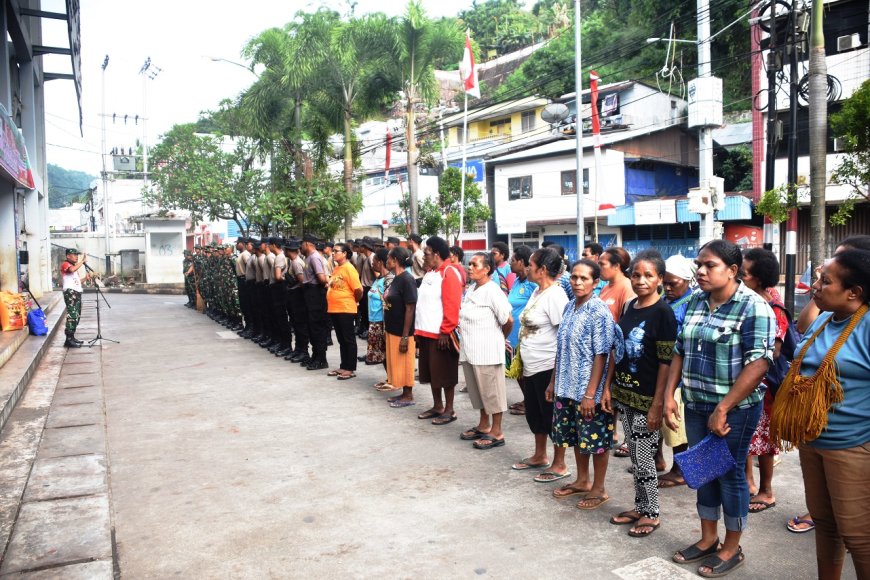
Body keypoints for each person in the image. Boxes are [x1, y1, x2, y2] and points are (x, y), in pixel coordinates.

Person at [664, 240, 775, 578]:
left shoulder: (754, 308)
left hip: (735, 410)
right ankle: (708, 539)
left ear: (731, 270)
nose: (700, 271)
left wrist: (724, 408)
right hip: (696, 404)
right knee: (702, 472)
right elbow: (680, 350)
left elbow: (759, 363)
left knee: (730, 475)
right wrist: (669, 394)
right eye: (699, 264)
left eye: (708, 265)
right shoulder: (697, 300)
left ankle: (732, 545)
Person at [769, 249, 870, 579]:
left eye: (825, 281)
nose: (815, 286)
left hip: (852, 447)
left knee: (858, 535)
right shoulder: (828, 316)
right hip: (813, 441)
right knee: (825, 524)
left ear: (854, 292)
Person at [541, 258, 620, 512]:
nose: (577, 282)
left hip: (588, 390)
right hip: (566, 385)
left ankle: (599, 487)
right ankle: (582, 480)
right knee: (575, 436)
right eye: (574, 277)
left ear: (596, 282)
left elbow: (603, 354)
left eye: (584, 278)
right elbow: (561, 348)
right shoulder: (570, 308)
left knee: (596, 440)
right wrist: (553, 381)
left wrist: (590, 394)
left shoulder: (599, 312)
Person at [608, 250, 677, 538]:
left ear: (660, 279)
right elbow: (618, 350)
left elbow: (666, 362)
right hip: (625, 395)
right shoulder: (631, 307)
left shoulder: (663, 313)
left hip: (648, 399)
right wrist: (610, 389)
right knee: (636, 456)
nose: (641, 280)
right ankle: (640, 506)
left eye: (649, 275)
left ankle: (651, 513)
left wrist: (658, 404)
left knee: (645, 457)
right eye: (636, 274)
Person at [510, 248, 569, 476]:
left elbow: (562, 337)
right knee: (534, 413)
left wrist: (555, 378)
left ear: (542, 269)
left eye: (531, 265)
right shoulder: (537, 292)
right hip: (531, 365)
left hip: (547, 366)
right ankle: (540, 455)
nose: (527, 269)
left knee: (551, 415)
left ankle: (560, 463)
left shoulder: (555, 295)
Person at [741, 248, 789, 515]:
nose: (740, 277)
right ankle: (748, 483)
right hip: (743, 383)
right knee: (747, 437)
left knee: (764, 441)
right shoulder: (745, 299)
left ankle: (766, 490)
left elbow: (775, 350)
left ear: (759, 278)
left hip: (765, 386)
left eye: (745, 273)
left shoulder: (773, 306)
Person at [457, 252, 513, 449]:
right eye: (469, 264)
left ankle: (497, 432)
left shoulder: (493, 290)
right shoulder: (472, 288)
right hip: (470, 350)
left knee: (492, 393)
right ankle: (483, 425)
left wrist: (498, 339)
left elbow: (508, 321)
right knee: (478, 391)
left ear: (487, 269)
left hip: (487, 350)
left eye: (474, 264)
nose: (469, 267)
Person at [656, 254, 697, 488]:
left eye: (674, 283)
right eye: (666, 283)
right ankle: (659, 459)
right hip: (660, 368)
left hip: (678, 373)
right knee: (660, 420)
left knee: (675, 424)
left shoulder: (690, 304)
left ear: (687, 281)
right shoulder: (666, 299)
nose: (668, 287)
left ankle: (680, 470)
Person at [414, 236, 463, 425]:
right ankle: (437, 406)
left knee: (445, 373)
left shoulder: (449, 272)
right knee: (432, 373)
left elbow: (452, 304)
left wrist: (446, 330)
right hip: (425, 331)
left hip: (440, 333)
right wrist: (418, 331)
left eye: (426, 253)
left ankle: (449, 409)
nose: (423, 257)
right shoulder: (430, 273)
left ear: (436, 254)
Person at [382, 246, 418, 406]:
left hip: (403, 331)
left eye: (388, 258)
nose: (386, 261)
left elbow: (410, 307)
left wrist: (405, 336)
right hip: (393, 328)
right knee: (397, 362)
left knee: (405, 362)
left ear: (395, 260)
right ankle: (403, 392)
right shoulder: (397, 278)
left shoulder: (407, 279)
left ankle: (408, 395)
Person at [505, 245, 537, 416]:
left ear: (522, 262)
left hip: (526, 335)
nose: (511, 263)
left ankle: (530, 403)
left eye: (513, 260)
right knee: (517, 371)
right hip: (513, 335)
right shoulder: (517, 280)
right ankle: (527, 400)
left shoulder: (532, 283)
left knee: (527, 372)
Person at [326, 242, 363, 380]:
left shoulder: (349, 268)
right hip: (335, 308)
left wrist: (353, 300)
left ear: (345, 253)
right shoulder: (337, 268)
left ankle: (350, 368)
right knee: (341, 339)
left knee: (348, 339)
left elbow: (358, 290)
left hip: (346, 308)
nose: (333, 253)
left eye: (336, 251)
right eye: (333, 251)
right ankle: (343, 365)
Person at [301, 234, 330, 371]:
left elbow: (322, 278)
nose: (300, 246)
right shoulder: (308, 257)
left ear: (307, 244)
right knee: (311, 326)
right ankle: (316, 356)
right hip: (309, 293)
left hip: (316, 294)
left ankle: (321, 359)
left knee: (317, 327)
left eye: (302, 243)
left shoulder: (314, 257)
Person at [364, 248, 391, 368]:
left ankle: (392, 380)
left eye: (374, 261)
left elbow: (388, 304)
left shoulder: (388, 280)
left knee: (386, 352)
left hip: (382, 322)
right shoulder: (378, 279)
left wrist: (386, 327)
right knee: (381, 353)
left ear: (380, 262)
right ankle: (389, 378)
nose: (372, 263)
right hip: (374, 321)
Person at [598, 247, 636, 323]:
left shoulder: (627, 287)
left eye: (602, 264)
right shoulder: (605, 287)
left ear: (616, 266)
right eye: (598, 264)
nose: (599, 268)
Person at [60, 248, 87, 348]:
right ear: (68, 256)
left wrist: (85, 278)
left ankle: (72, 337)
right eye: (74, 254)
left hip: (76, 292)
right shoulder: (66, 264)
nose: (76, 256)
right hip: (70, 292)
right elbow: (71, 270)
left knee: (76, 315)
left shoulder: (74, 267)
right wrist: (82, 262)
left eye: (77, 255)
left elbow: (77, 281)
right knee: (72, 314)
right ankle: (68, 339)